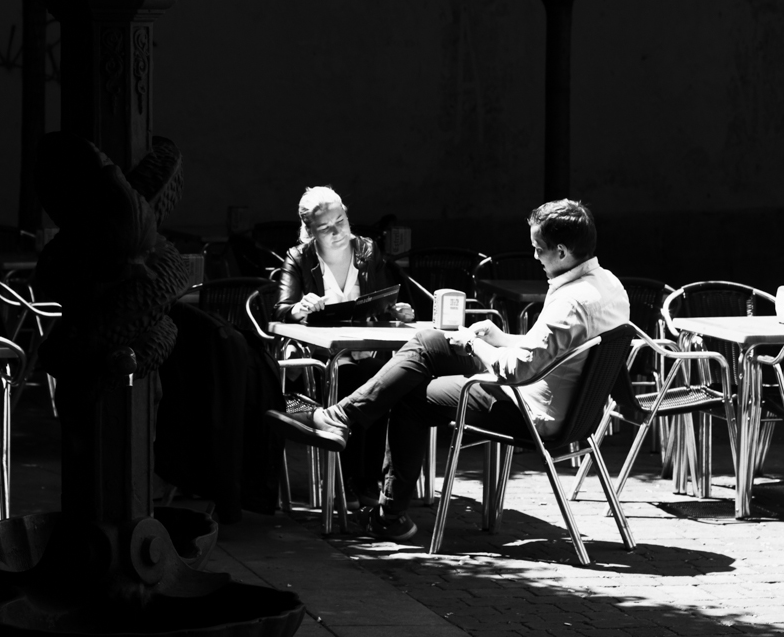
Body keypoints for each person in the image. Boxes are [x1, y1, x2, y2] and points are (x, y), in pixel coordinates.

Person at [265, 199, 629, 541]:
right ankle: (342, 418)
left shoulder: (570, 300)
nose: (535, 256)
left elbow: (517, 371)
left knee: (410, 397)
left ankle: (388, 512)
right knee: (430, 341)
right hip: (563, 405)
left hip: (529, 408)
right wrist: (501, 337)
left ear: (561, 252)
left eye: (538, 248)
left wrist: (475, 345)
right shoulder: (609, 284)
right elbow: (552, 353)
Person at [274, 185, 414, 507]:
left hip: (364, 353)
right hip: (318, 365)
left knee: (383, 376)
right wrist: (300, 308)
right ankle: (349, 481)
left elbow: (380, 302)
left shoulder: (367, 250)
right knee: (358, 378)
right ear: (310, 232)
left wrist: (396, 311)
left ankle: (369, 481)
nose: (338, 232)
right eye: (325, 228)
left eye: (341, 221)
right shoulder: (298, 257)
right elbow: (280, 310)